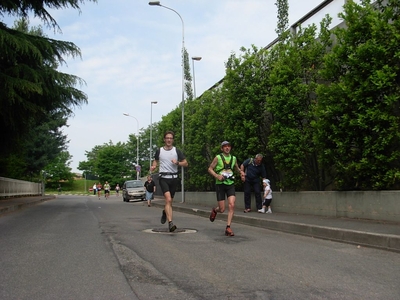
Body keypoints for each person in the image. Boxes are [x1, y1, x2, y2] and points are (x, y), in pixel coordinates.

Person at [150, 131, 188, 232]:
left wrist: (178, 162)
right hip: (163, 178)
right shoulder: (160, 151)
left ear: (173, 140)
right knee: (168, 199)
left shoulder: (176, 151)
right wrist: (154, 166)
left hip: (174, 178)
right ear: (164, 139)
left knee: (169, 202)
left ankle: (164, 212)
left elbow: (186, 163)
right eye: (167, 138)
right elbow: (156, 160)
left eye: (171, 138)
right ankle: (170, 223)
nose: (169, 140)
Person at [208, 141, 245, 237]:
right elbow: (210, 169)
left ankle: (228, 227)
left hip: (230, 184)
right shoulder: (218, 157)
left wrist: (241, 173)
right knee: (222, 209)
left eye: (228, 146)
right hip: (220, 184)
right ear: (222, 148)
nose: (227, 148)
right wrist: (217, 176)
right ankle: (215, 210)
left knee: (232, 205)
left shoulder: (233, 158)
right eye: (225, 147)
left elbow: (236, 168)